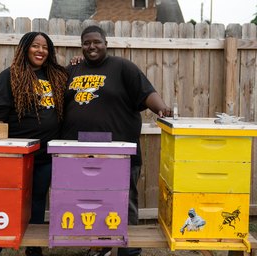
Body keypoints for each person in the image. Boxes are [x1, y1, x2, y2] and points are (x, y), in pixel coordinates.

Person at [61, 25, 172, 256]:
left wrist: (161, 108)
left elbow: (146, 92)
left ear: (106, 44)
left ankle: (128, 251)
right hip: (80, 152)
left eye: (96, 42)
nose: (92, 46)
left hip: (119, 152)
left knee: (123, 200)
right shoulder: (72, 70)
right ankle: (99, 246)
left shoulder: (122, 67)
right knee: (90, 203)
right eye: (86, 43)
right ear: (81, 46)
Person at [0, 32, 68, 256]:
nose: (40, 51)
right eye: (35, 46)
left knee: (38, 200)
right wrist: (1, 153)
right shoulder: (10, 77)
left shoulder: (56, 76)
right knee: (7, 202)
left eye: (45, 47)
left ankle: (34, 248)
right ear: (24, 48)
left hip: (46, 154)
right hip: (18, 155)